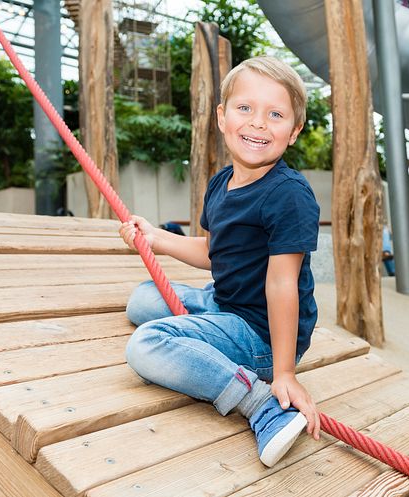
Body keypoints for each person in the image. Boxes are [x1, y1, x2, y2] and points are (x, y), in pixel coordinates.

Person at [118, 56, 320, 468]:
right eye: (245, 108)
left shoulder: (290, 196)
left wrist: (283, 373)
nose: (258, 123)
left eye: (275, 114)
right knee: (142, 301)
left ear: (293, 131)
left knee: (147, 344)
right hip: (227, 302)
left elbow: (283, 285)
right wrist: (155, 238)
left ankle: (260, 403)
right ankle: (217, 339)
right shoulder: (219, 184)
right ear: (222, 117)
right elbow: (214, 253)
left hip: (263, 334)